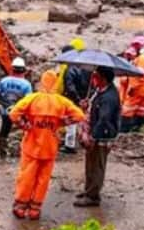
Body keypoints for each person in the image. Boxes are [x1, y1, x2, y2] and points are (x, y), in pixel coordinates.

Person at [9, 70, 86, 220]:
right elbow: (80, 115)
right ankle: (35, 209)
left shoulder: (32, 99)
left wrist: (24, 125)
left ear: (42, 82)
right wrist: (62, 123)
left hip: (31, 144)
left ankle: (20, 206)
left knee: (27, 176)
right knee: (43, 179)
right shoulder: (61, 101)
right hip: (50, 146)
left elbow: (13, 114)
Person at [75, 67, 120, 208]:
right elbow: (95, 108)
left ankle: (93, 196)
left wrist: (93, 136)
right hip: (95, 132)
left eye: (96, 77)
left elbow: (104, 118)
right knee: (90, 163)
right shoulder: (100, 91)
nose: (93, 79)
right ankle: (89, 189)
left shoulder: (109, 97)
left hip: (101, 136)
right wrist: (86, 105)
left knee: (97, 165)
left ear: (103, 79)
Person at [0, 57, 33, 159]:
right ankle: (25, 150)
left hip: (5, 111)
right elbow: (28, 101)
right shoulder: (26, 84)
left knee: (4, 131)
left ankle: (2, 153)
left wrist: (6, 104)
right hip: (20, 113)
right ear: (23, 70)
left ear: (12, 69)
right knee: (26, 130)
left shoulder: (4, 80)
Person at [57, 38, 89, 153]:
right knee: (82, 120)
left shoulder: (69, 69)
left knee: (71, 123)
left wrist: (75, 98)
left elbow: (70, 87)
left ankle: (69, 146)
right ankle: (82, 140)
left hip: (73, 100)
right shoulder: (85, 67)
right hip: (84, 98)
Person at [119, 47, 144, 133]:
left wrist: (132, 88)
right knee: (140, 110)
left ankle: (124, 129)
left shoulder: (140, 61)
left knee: (127, 111)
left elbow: (138, 77)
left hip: (136, 91)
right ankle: (136, 127)